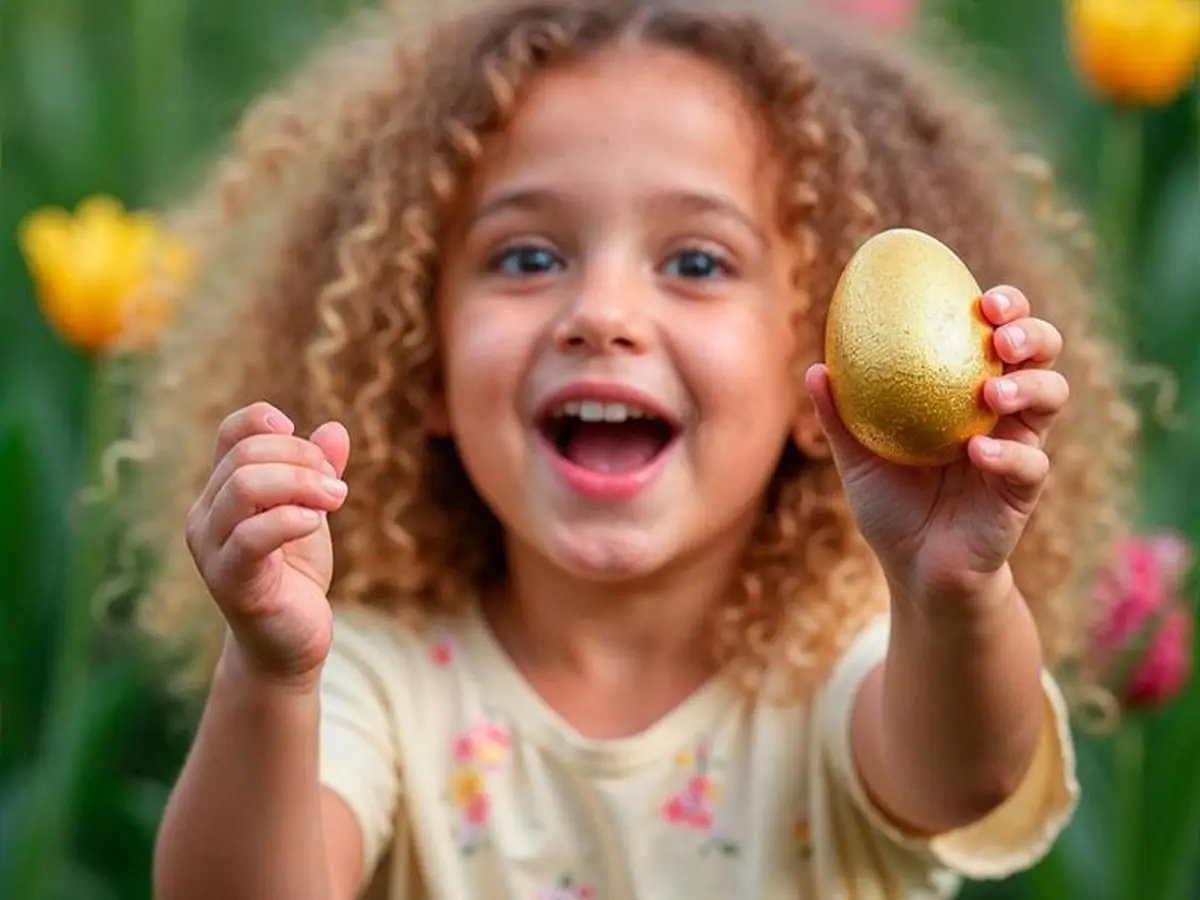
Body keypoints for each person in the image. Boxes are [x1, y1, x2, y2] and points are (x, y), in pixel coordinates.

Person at [136, 0, 1137, 897]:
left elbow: (965, 773)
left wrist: (951, 593)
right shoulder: (373, 678)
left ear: (817, 365)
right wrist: (267, 679)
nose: (603, 313)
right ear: (423, 360)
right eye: (529, 257)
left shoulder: (846, 666)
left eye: (697, 262)